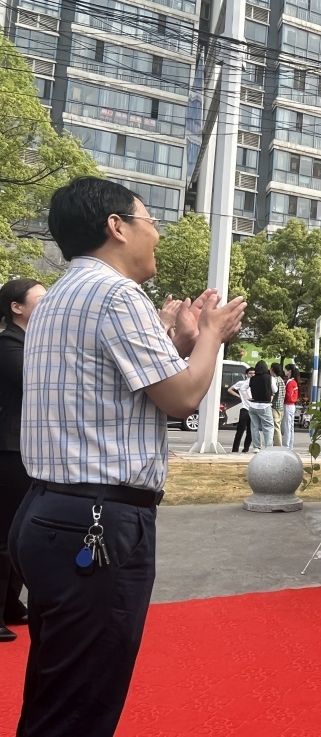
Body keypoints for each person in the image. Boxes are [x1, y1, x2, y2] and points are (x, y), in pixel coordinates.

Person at [9, 177, 245, 737]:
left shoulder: (59, 295)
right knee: (82, 706)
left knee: (55, 690)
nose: (157, 233)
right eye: (150, 221)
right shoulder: (118, 295)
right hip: (96, 522)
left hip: (47, 513)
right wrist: (211, 336)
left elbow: (131, 383)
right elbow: (181, 397)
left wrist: (183, 342)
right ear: (116, 226)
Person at [0, 279, 46, 643]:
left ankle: (11, 604)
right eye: (40, 299)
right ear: (16, 307)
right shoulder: (8, 344)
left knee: (21, 532)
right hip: (8, 449)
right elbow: (36, 381)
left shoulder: (33, 342)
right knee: (4, 535)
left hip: (28, 448)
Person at [246, 359, 275, 451]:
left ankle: (256, 447)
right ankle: (268, 447)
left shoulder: (252, 378)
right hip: (265, 405)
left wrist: (248, 397)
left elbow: (243, 388)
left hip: (253, 405)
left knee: (254, 426)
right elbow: (275, 390)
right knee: (268, 427)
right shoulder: (270, 378)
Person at [228, 368, 254, 453]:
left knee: (250, 431)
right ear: (246, 375)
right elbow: (230, 389)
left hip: (253, 410)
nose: (252, 375)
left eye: (254, 373)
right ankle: (235, 449)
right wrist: (239, 396)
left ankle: (246, 449)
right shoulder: (241, 383)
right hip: (244, 408)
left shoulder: (257, 384)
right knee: (240, 430)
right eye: (250, 373)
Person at [283, 364, 299, 448]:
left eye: (285, 370)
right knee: (290, 427)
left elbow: (288, 395)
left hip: (288, 405)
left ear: (289, 371)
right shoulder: (294, 382)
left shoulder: (290, 382)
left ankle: (286, 445)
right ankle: (290, 446)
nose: (284, 371)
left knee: (287, 426)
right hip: (292, 405)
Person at [270, 363, 285, 446]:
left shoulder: (274, 379)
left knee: (276, 427)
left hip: (275, 406)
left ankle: (278, 445)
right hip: (281, 407)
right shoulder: (281, 380)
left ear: (272, 369)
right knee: (278, 426)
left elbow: (273, 393)